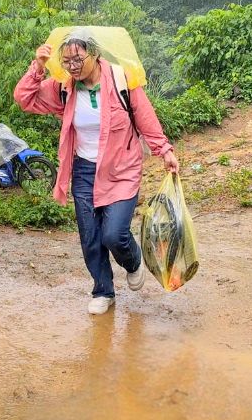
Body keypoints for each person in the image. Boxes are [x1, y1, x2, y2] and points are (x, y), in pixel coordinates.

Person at [14, 32, 179, 315]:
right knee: (90, 235)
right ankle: (103, 290)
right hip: (84, 170)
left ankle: (133, 260)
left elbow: (145, 117)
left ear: (95, 55)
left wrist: (164, 150)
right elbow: (25, 99)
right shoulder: (64, 88)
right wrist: (39, 66)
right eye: (66, 61)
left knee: (114, 235)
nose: (72, 66)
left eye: (78, 59)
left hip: (121, 168)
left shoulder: (122, 80)